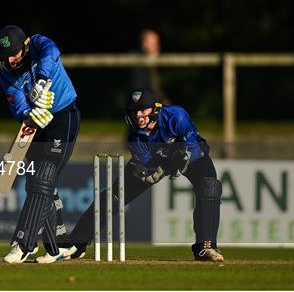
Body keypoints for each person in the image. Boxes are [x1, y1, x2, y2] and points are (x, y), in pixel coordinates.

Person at [62, 88, 224, 263]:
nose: (139, 115)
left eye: (144, 110)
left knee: (210, 187)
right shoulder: (134, 137)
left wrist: (184, 157)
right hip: (156, 161)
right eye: (134, 111)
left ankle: (206, 247)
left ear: (155, 108)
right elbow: (147, 164)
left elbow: (193, 145)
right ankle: (77, 244)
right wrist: (154, 170)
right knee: (113, 197)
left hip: (191, 156)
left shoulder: (176, 115)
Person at [0, 25, 80, 264]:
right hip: (37, 124)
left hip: (64, 117)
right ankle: (58, 247)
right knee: (39, 183)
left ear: (25, 46)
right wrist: (30, 114)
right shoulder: (6, 75)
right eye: (5, 56)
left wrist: (42, 81)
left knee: (44, 176)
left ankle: (23, 243)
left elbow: (51, 52)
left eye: (14, 53)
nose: (10, 60)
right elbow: (18, 107)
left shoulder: (39, 43)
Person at [130, 29, 169, 103]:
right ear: (144, 44)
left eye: (157, 44)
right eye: (153, 44)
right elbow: (140, 90)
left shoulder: (152, 65)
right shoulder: (138, 62)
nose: (157, 48)